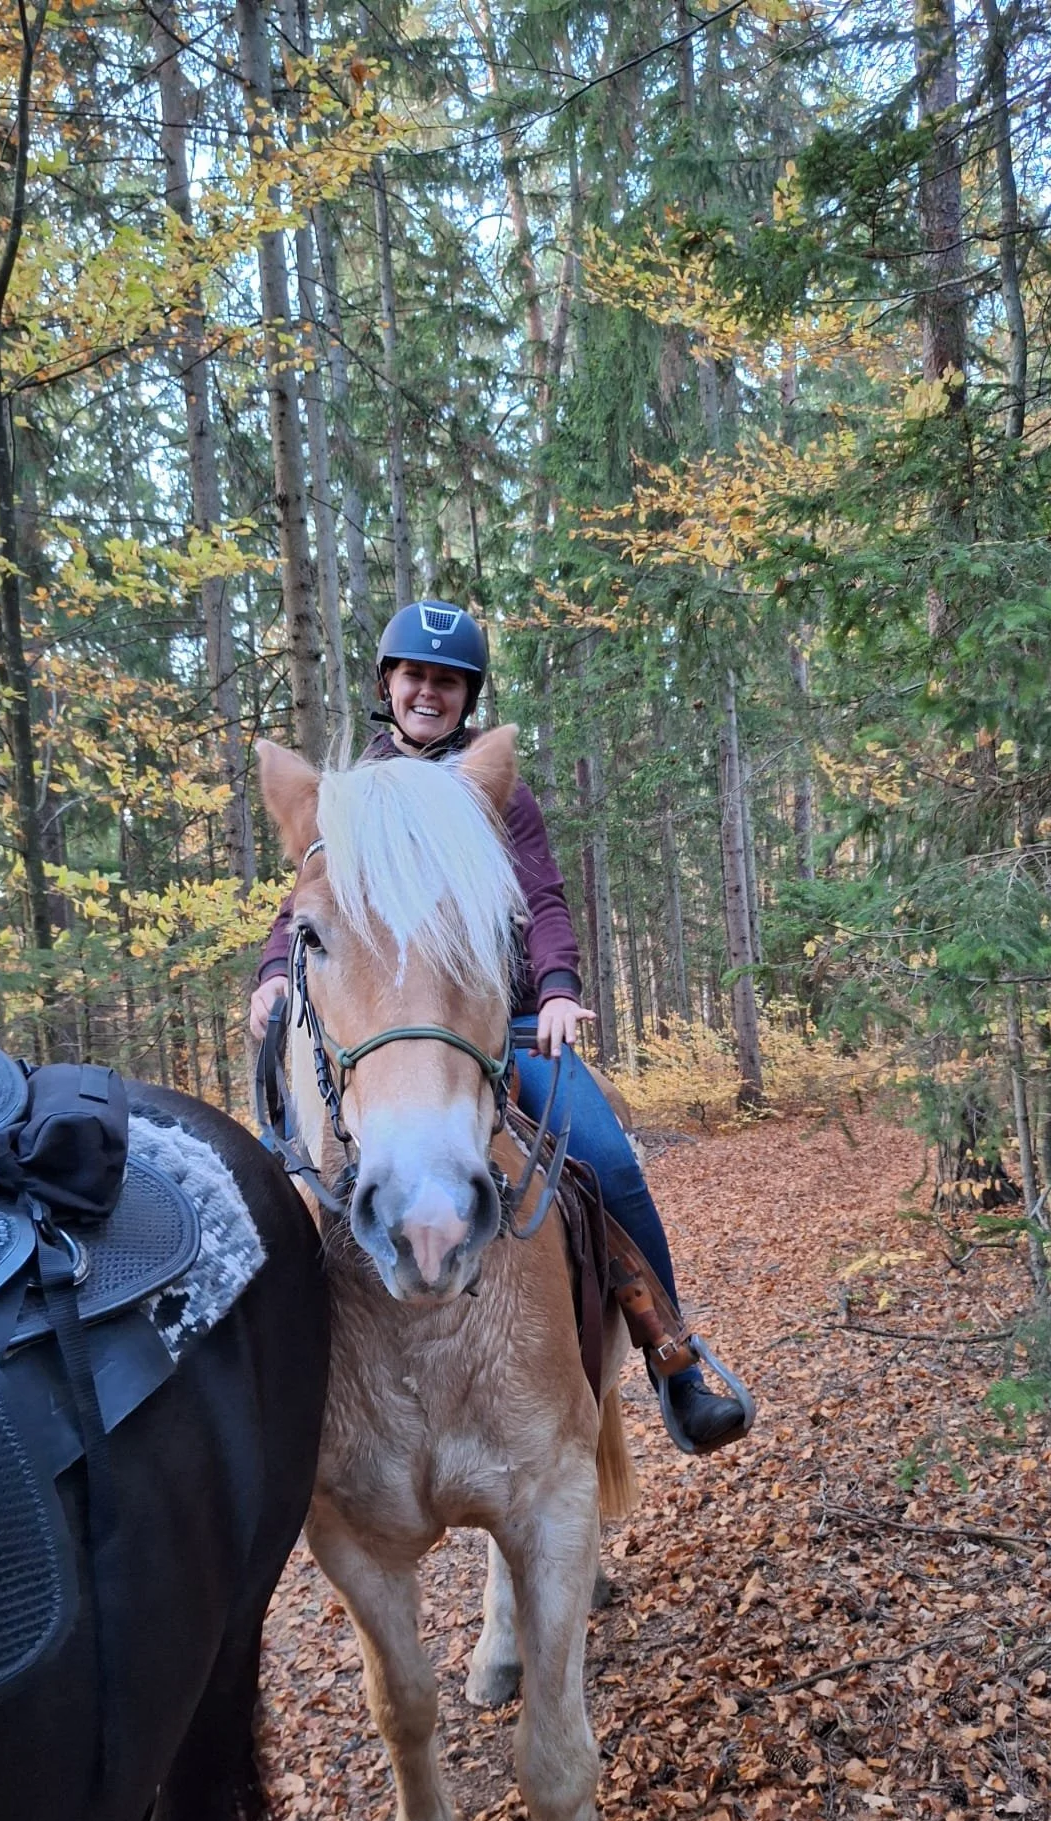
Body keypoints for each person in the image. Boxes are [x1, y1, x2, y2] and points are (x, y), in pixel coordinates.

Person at [250, 600, 752, 1456]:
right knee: (280, 1173)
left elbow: (543, 901)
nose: (428, 694)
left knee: (609, 1160)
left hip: (501, 1023)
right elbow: (309, 903)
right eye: (415, 676)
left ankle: (673, 1356)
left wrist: (556, 990)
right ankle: (273, 1384)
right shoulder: (352, 796)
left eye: (447, 681)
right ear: (388, 684)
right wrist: (271, 979)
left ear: (466, 695)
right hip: (384, 1029)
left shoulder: (491, 787)